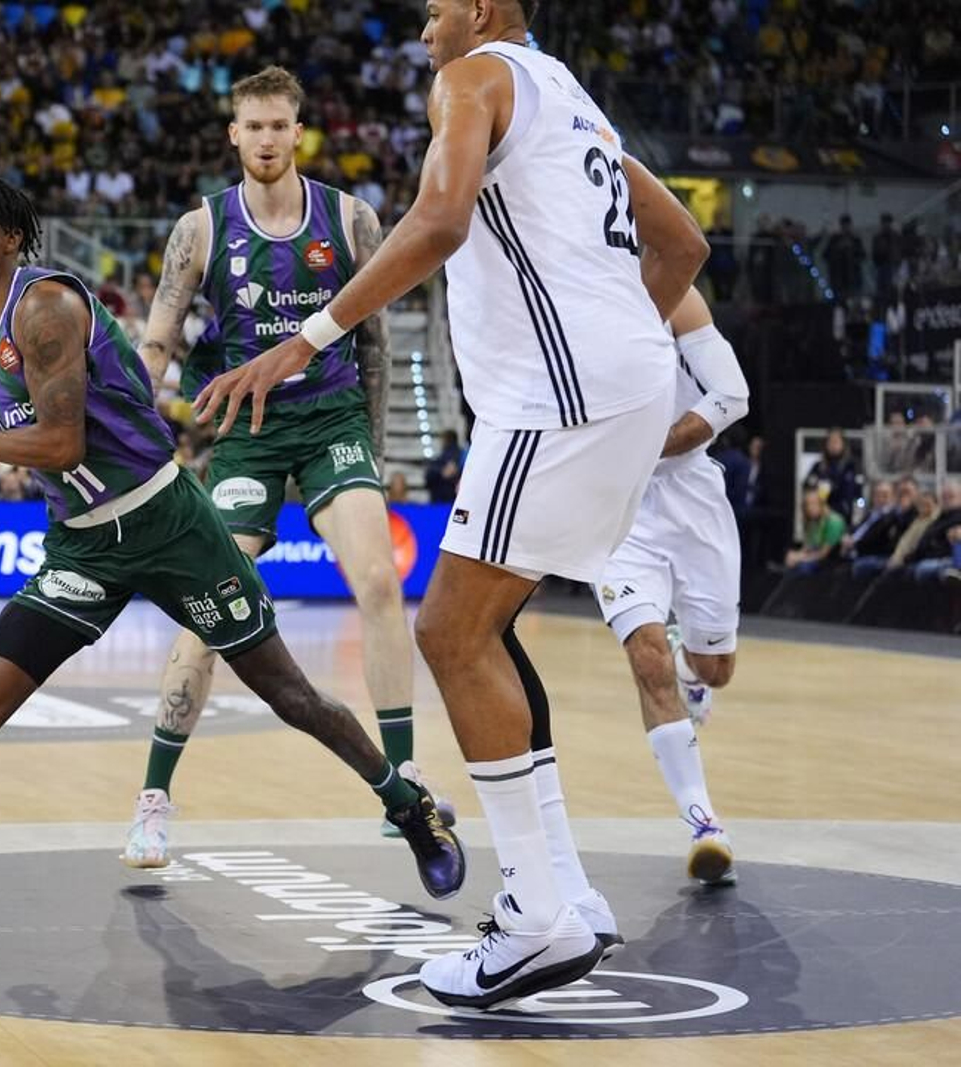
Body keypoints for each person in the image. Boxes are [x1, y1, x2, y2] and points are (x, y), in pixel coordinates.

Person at [0, 178, 464, 960]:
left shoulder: (46, 310)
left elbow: (61, 444)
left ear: (7, 239)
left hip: (169, 523)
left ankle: (408, 806)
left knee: (290, 693)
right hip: (84, 548)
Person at [195, 0, 708, 1009]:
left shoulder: (471, 75)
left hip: (562, 396)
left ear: (477, 9)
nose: (421, 22)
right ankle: (566, 891)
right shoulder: (575, 100)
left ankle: (533, 917)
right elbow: (684, 246)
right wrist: (615, 339)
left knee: (450, 632)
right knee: (490, 634)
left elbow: (438, 218)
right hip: (630, 383)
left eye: (433, 6)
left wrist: (308, 337)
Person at [122, 66, 448, 868]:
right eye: (253, 126)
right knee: (212, 609)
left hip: (332, 418)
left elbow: (372, 340)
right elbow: (159, 337)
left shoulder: (351, 218)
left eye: (278, 125)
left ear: (296, 132)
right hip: (247, 431)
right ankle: (153, 799)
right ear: (233, 134)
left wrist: (368, 442)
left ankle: (401, 771)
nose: (266, 139)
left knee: (378, 582)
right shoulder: (200, 228)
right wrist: (132, 432)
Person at [592, 290, 747, 890]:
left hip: (694, 497)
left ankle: (693, 668)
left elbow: (732, 396)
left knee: (715, 669)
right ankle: (704, 824)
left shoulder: (679, 300)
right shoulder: (572, 300)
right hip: (620, 507)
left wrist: (647, 444)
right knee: (645, 655)